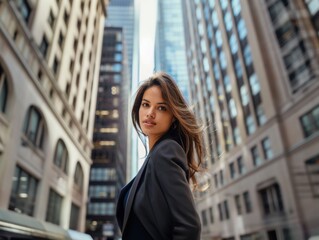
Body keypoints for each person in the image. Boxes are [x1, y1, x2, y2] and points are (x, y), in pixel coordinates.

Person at [116, 71, 205, 240]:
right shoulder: (154, 156)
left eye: (161, 108)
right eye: (145, 104)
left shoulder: (166, 152)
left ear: (173, 117)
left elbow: (189, 227)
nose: (150, 113)